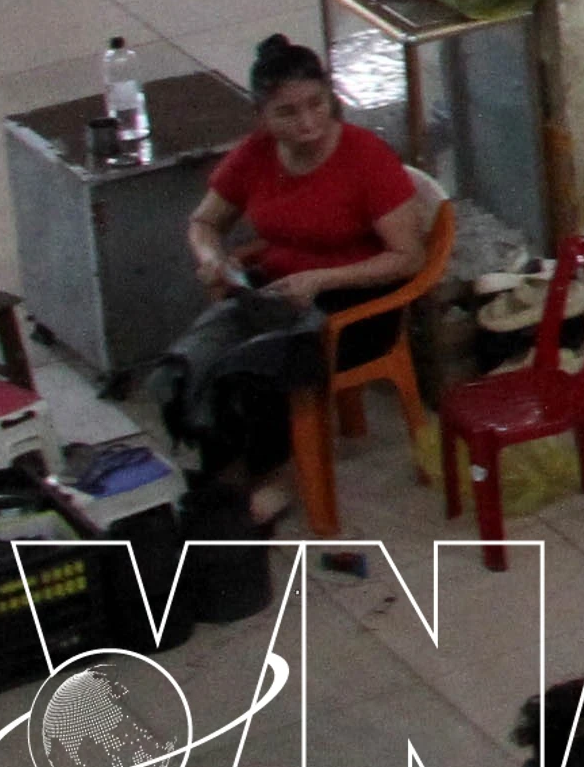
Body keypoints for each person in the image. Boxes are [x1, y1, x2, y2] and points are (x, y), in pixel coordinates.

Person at [171, 37, 435, 528]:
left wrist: (320, 279)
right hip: (279, 290)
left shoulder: (364, 158)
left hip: (359, 302)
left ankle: (273, 476)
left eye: (317, 105)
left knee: (261, 361)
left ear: (332, 97)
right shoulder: (257, 155)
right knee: (199, 355)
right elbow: (204, 223)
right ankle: (227, 469)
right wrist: (211, 259)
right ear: (262, 116)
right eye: (287, 113)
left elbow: (407, 257)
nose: (308, 123)